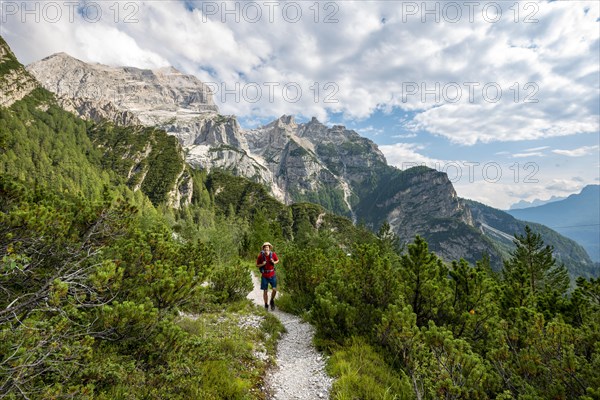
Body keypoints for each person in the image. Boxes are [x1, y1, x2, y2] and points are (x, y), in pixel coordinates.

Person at [257, 242, 279, 310]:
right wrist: (262, 264)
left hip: (272, 274)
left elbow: (277, 260)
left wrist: (274, 262)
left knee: (274, 289)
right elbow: (257, 265)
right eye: (265, 247)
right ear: (263, 248)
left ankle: (272, 300)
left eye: (267, 247)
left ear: (269, 248)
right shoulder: (260, 256)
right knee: (265, 291)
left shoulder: (273, 254)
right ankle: (266, 305)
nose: (266, 248)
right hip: (264, 275)